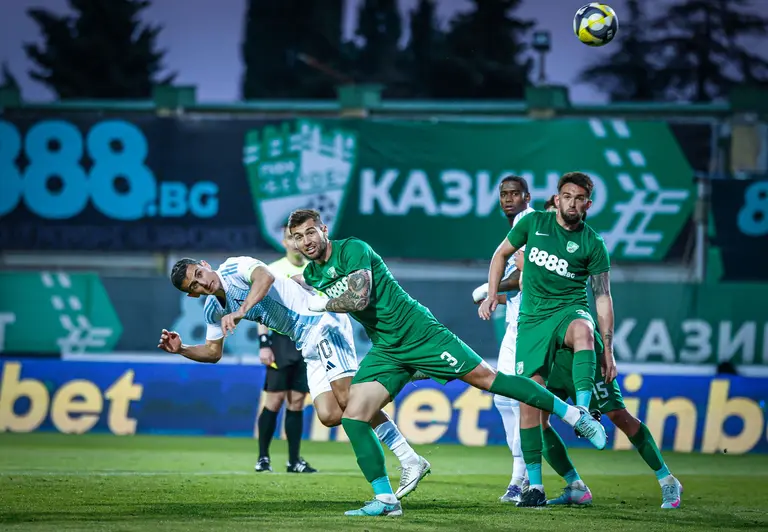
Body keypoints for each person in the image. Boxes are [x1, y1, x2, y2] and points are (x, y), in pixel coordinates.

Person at [287, 209, 607, 518]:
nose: (306, 241)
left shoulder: (353, 249)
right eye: (298, 237)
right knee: (354, 416)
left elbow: (359, 298)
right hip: (386, 347)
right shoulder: (313, 273)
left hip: (418, 332)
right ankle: (385, 499)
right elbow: (289, 282)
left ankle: (573, 415)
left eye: (310, 232)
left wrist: (323, 303)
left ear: (324, 230)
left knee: (488, 379)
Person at [157, 255, 431, 499]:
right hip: (305, 341)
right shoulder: (213, 310)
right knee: (330, 415)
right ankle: (398, 373)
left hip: (322, 321)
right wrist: (181, 349)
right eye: (194, 285)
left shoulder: (233, 267)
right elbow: (212, 352)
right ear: (191, 295)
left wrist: (240, 311)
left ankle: (408, 459)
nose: (202, 283)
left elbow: (265, 277)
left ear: (205, 265)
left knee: (351, 400)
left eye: (199, 274)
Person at [516, 202, 683, 509]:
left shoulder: (584, 247)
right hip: (549, 353)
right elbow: (522, 285)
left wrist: (608, 351)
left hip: (579, 353)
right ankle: (575, 486)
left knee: (619, 416)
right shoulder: (535, 251)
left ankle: (667, 479)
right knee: (537, 419)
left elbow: (602, 295)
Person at [479, 171, 614, 507]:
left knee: (584, 331)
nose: (572, 203)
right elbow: (499, 255)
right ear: (557, 199)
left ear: (588, 204)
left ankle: (582, 412)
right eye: (567, 197)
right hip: (532, 322)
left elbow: (602, 296)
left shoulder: (593, 243)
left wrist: (608, 350)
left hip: (569, 311)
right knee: (529, 403)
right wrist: (492, 294)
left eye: (579, 199)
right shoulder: (533, 223)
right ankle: (534, 487)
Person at [471, 175, 533, 503]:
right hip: (515, 322)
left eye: (514, 193)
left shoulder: (528, 222)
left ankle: (524, 478)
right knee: (504, 398)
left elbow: (524, 276)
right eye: (504, 194)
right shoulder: (517, 226)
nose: (508, 199)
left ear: (527, 197)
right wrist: (496, 293)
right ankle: (521, 476)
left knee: (520, 400)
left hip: (531, 325)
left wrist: (489, 290)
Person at [255, 224, 316, 474]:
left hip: (307, 340)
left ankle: (294, 461)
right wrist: (264, 343)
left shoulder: (315, 269)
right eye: (291, 238)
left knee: (297, 401)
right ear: (284, 242)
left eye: (300, 237)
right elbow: (262, 308)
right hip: (280, 340)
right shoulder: (273, 270)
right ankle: (263, 458)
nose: (296, 242)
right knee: (274, 399)